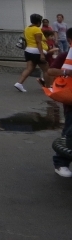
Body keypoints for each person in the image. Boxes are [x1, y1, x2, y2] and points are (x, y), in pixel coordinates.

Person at [50, 50, 72, 178]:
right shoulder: (66, 55)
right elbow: (51, 71)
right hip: (71, 100)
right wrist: (66, 72)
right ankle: (61, 163)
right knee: (69, 133)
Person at [15, 13, 45, 92]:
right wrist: (42, 54)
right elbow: (38, 42)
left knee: (29, 68)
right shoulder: (37, 29)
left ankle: (19, 83)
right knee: (47, 70)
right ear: (38, 22)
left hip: (28, 50)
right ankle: (49, 87)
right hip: (36, 51)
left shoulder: (27, 28)